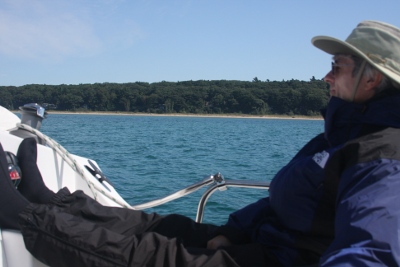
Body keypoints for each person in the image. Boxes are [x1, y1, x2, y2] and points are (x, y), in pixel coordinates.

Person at [1, 19, 400, 266]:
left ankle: (21, 215)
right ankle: (47, 200)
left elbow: (374, 251)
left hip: (280, 260)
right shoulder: (345, 135)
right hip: (262, 244)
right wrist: (237, 230)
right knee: (157, 224)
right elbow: (282, 202)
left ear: (372, 79)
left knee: (153, 255)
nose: (327, 77)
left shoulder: (385, 157)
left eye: (337, 67)